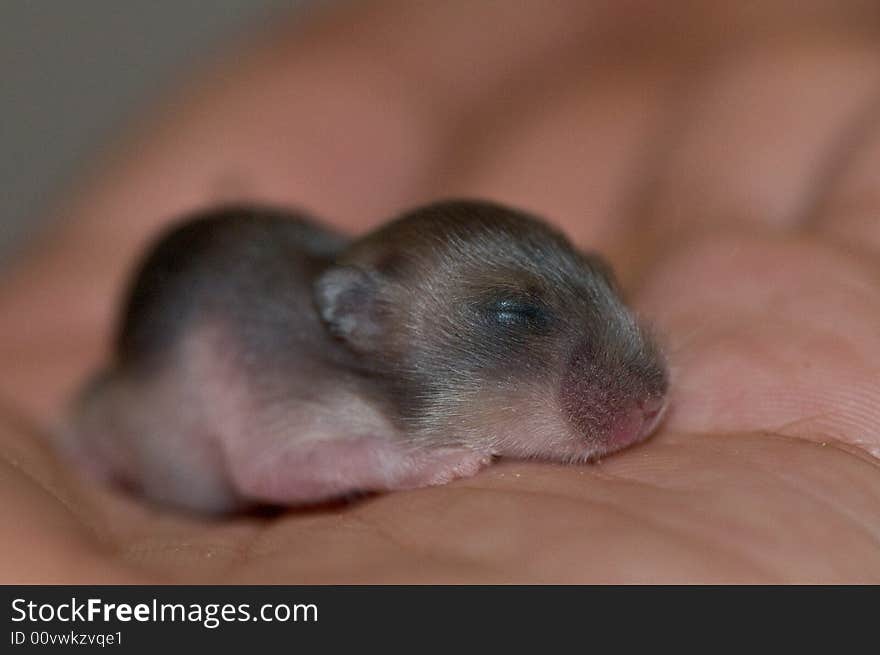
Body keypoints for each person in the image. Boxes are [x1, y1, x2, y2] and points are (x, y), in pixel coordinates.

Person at [1, 0, 878, 583]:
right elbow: (266, 464)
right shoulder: (308, 371)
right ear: (361, 320)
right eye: (515, 317)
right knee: (112, 427)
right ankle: (91, 431)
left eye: (600, 288)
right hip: (165, 363)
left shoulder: (378, 319)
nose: (642, 389)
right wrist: (400, 462)